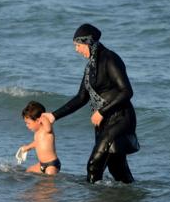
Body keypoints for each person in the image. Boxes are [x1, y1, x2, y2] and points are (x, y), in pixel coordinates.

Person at [43, 23, 139, 183]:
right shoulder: (90, 67)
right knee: (118, 170)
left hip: (120, 119)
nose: (77, 50)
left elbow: (127, 91)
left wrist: (101, 112)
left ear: (88, 42)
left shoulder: (110, 59)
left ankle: (91, 198)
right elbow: (81, 97)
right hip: (103, 123)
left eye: (78, 45)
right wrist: (54, 116)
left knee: (94, 165)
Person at [21, 101, 61, 175]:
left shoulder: (46, 129)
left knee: (48, 183)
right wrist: (27, 147)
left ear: (38, 120)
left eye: (28, 123)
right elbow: (37, 143)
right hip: (41, 164)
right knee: (28, 171)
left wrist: (44, 117)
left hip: (51, 165)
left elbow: (48, 128)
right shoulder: (37, 133)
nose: (27, 125)